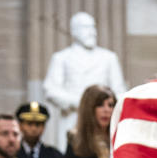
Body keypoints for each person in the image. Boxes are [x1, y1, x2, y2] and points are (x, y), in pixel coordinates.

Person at [43, 12, 126, 150]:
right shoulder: (62, 58)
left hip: (103, 121)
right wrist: (80, 103)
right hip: (74, 117)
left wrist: (105, 106)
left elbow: (119, 90)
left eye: (93, 27)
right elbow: (50, 89)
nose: (92, 32)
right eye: (86, 27)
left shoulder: (109, 57)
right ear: (74, 31)